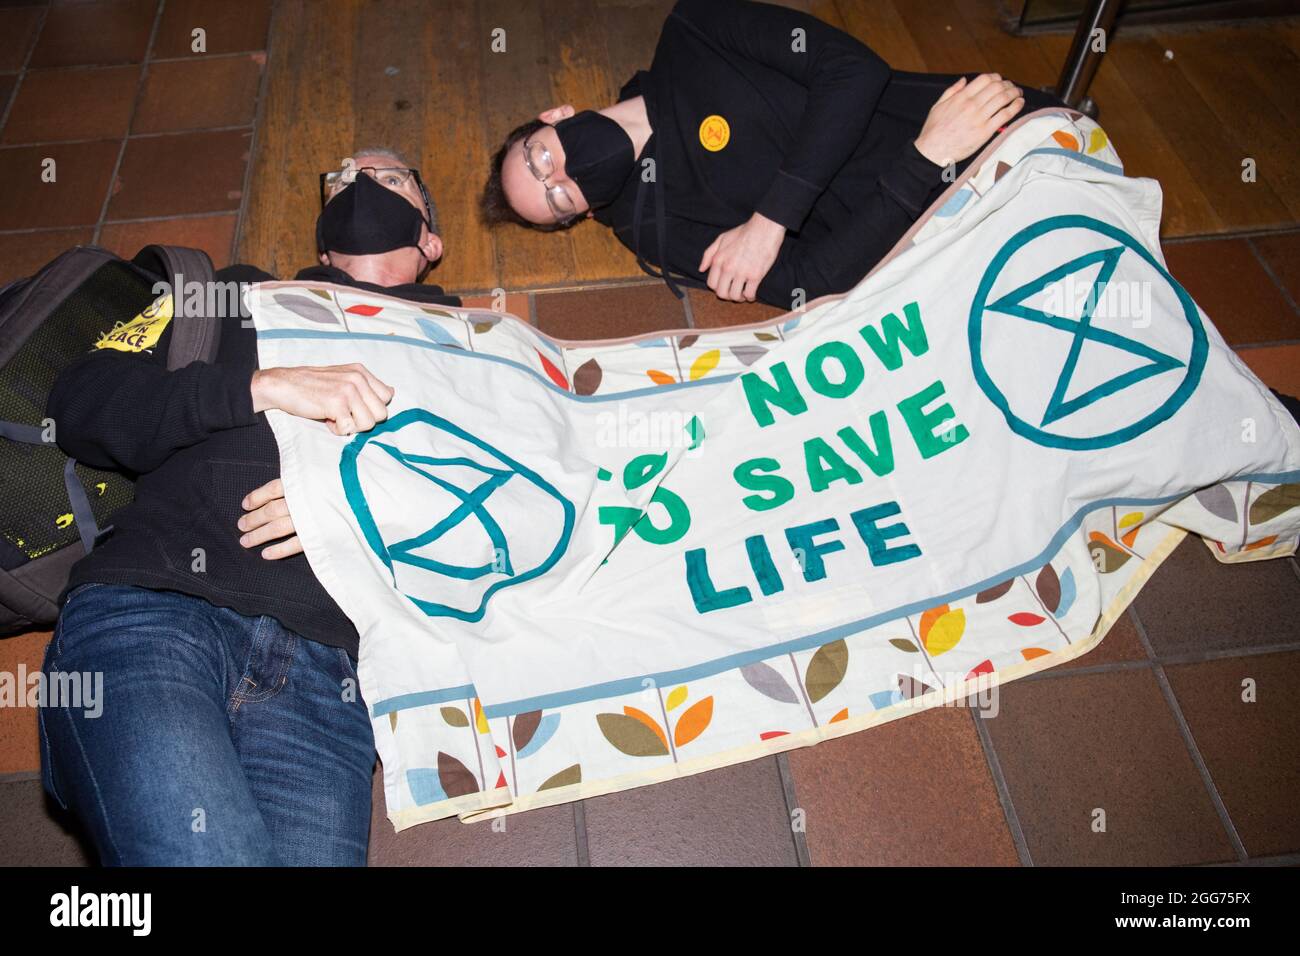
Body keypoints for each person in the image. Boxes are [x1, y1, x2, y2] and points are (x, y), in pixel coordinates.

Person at [38, 147, 456, 866]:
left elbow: (525, 528)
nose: (361, 180)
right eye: (345, 176)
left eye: (390, 178)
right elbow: (82, 400)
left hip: (332, 682)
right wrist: (260, 386)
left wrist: (352, 505)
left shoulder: (481, 356)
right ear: (323, 243)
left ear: (430, 240)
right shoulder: (232, 296)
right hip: (157, 611)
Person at [480, 0, 1067, 309]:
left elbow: (853, 71)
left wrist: (770, 220)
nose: (559, 178)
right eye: (557, 200)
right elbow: (811, 285)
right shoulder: (648, 225)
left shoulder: (693, 30)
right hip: (942, 253)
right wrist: (925, 158)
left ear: (556, 115)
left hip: (989, 131)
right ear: (580, 214)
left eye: (539, 159)